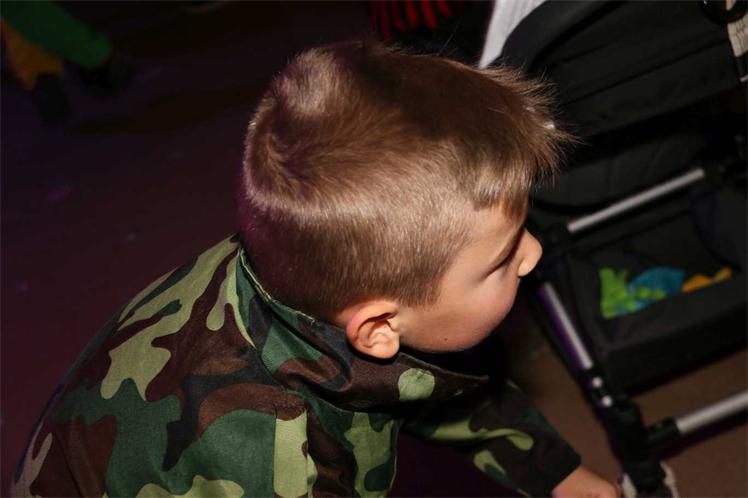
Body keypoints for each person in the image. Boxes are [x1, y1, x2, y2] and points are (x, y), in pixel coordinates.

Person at [12, 40, 619, 497]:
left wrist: (555, 474)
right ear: (378, 328)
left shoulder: (311, 269)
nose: (535, 253)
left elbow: (425, 383)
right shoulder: (278, 463)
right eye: (502, 258)